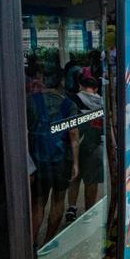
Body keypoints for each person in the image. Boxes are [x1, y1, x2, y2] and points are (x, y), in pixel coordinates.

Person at [27, 67, 80, 246]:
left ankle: (32, 243)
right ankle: (48, 242)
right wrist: (76, 163)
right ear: (62, 83)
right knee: (58, 200)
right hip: (61, 161)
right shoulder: (69, 105)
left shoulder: (31, 102)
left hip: (38, 161)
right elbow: (73, 135)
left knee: (38, 204)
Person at [65, 76, 104, 222]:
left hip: (76, 144)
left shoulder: (74, 99)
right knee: (92, 181)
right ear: (96, 89)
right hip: (95, 145)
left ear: (80, 85)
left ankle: (72, 208)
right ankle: (89, 211)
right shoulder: (101, 102)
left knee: (75, 177)